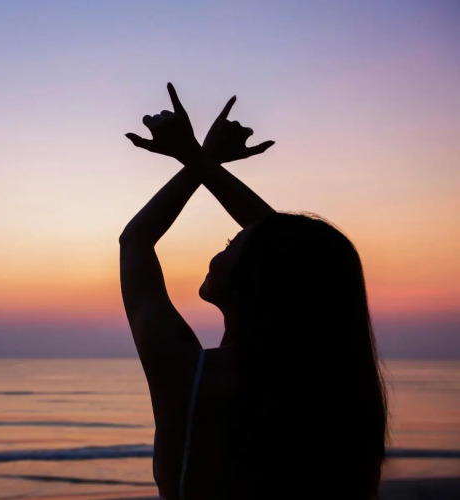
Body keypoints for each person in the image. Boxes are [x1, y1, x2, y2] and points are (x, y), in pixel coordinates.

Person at [120, 83, 387, 500]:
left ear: (256, 276)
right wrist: (200, 159)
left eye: (233, 243)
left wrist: (197, 158)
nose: (220, 250)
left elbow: (135, 241)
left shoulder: (194, 379)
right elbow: (289, 253)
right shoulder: (333, 391)